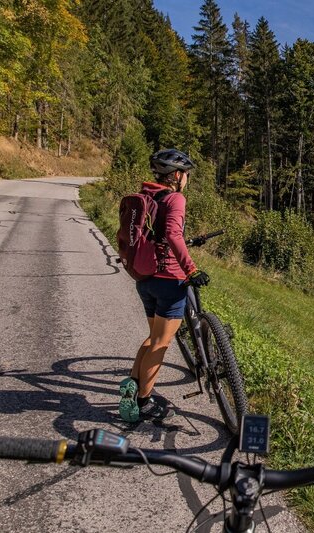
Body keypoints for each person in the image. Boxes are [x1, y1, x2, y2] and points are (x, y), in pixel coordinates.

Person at [119, 148, 209, 422]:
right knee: (161, 343)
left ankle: (132, 386)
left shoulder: (147, 194)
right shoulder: (175, 198)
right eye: (186, 174)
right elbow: (172, 234)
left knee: (153, 337)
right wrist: (191, 269)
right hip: (169, 280)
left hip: (145, 278)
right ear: (177, 176)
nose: (187, 179)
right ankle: (144, 403)